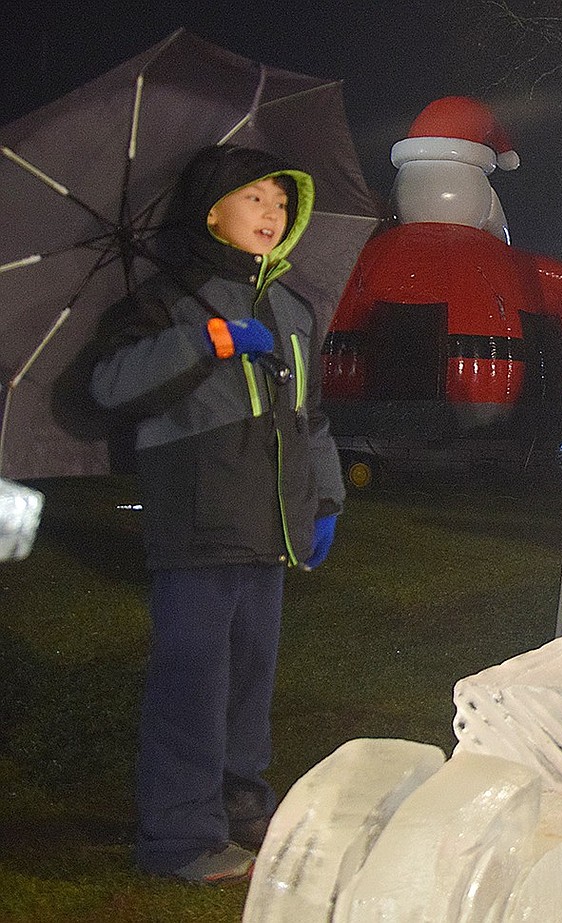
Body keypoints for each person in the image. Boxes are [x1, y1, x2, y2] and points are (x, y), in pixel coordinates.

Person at [88, 144, 344, 882]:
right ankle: (177, 836)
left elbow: (313, 416)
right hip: (199, 522)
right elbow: (110, 385)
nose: (274, 212)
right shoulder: (167, 298)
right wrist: (208, 340)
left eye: (281, 202)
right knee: (192, 680)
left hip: (271, 529)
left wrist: (325, 499)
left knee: (249, 678)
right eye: (255, 198)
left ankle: (240, 801)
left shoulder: (295, 310)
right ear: (211, 211)